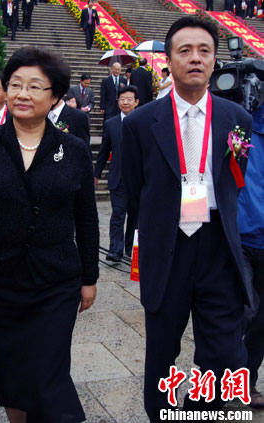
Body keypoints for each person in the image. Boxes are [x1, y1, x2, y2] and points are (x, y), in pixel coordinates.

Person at [0, 46, 99, 423]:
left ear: (55, 96)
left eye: (34, 86)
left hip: (56, 281)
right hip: (0, 280)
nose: (22, 94)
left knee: (47, 375)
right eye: (15, 85)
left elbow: (87, 218)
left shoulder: (73, 149)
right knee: (9, 371)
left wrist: (89, 277)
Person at [121, 17, 254, 422]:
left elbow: (235, 180)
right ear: (169, 60)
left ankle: (199, 412)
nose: (195, 58)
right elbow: (135, 187)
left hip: (217, 247)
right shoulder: (141, 123)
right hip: (168, 245)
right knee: (162, 351)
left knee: (224, 354)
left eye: (204, 51)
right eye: (185, 50)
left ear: (214, 60)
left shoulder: (237, 118)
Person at [94, 85, 138, 262]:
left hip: (138, 179)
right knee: (118, 214)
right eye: (122, 99)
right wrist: (96, 173)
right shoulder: (111, 123)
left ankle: (131, 248)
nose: (125, 102)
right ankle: (115, 250)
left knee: (135, 216)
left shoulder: (143, 120)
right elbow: (104, 150)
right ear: (118, 101)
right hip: (118, 177)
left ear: (136, 102)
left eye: (129, 99)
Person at [240, 106, 264, 408]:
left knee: (261, 321)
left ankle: (248, 380)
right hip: (241, 237)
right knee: (243, 311)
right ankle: (220, 373)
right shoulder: (243, 124)